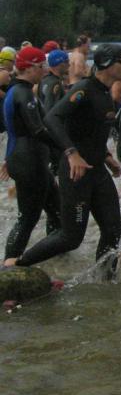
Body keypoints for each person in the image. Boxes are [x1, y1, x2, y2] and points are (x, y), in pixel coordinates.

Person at [14, 44, 121, 274]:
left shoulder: (105, 91)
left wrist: (107, 156)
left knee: (113, 229)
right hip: (77, 173)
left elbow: (89, 130)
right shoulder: (84, 89)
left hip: (97, 171)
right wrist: (71, 153)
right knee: (71, 237)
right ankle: (17, 265)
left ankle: (105, 281)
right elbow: (52, 118)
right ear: (107, 64)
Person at [2, 47, 61, 265]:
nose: (44, 70)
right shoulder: (22, 93)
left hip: (29, 159)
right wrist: (67, 148)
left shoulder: (22, 90)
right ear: (28, 68)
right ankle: (9, 266)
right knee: (28, 218)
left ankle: (56, 259)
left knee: (58, 212)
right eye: (41, 66)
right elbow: (37, 130)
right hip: (28, 161)